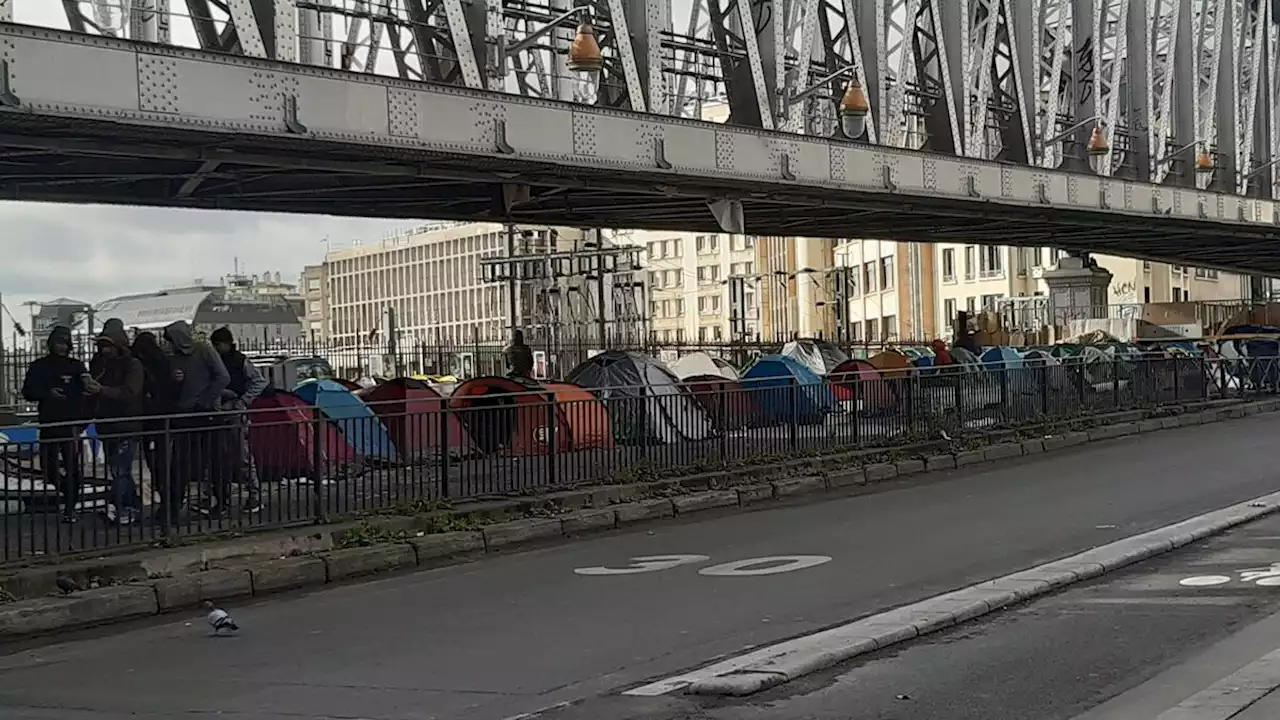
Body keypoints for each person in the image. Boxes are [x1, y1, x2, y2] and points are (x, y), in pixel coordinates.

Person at [160, 321, 229, 522]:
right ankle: (174, 506)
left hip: (206, 414)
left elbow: (223, 377)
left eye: (171, 341)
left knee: (214, 461)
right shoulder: (173, 358)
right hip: (184, 414)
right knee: (179, 463)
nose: (169, 346)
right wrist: (174, 380)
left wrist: (205, 401)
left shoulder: (204, 350)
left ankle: (221, 502)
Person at [21, 325, 89, 523]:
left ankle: (70, 506)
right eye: (58, 342)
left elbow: (86, 390)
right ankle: (67, 493)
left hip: (71, 422)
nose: (61, 347)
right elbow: (28, 392)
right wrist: (47, 393)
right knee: (48, 467)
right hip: (49, 422)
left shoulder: (75, 366)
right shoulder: (38, 366)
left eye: (64, 343)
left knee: (71, 465)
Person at [86, 319, 145, 525]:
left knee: (120, 470)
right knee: (119, 470)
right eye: (102, 346)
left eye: (108, 346)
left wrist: (102, 390)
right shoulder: (98, 364)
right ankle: (132, 506)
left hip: (126, 423)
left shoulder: (133, 364)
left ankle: (118, 507)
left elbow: (130, 391)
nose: (105, 350)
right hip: (106, 422)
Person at [210, 327, 267, 514]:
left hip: (233, 410)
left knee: (241, 456)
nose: (216, 348)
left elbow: (259, 382)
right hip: (228, 410)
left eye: (218, 345)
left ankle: (253, 495)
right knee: (222, 458)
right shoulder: (226, 360)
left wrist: (242, 401)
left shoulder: (239, 361)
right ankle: (230, 497)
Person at [130, 331, 175, 494]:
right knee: (161, 450)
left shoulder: (138, 360)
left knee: (150, 449)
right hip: (161, 412)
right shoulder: (161, 359)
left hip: (146, 412)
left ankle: (158, 479)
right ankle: (162, 480)